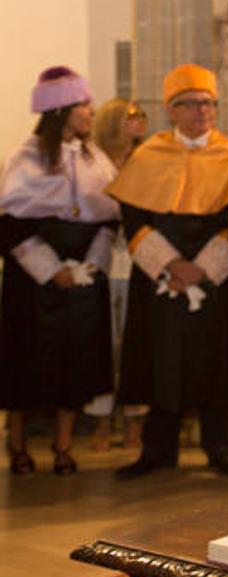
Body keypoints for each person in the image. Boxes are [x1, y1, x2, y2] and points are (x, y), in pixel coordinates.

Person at [106, 64, 228, 479]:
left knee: (216, 357)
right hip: (161, 276)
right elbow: (133, 219)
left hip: (214, 276)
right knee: (159, 357)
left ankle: (220, 446)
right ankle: (157, 449)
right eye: (189, 104)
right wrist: (170, 265)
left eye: (207, 103)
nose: (200, 111)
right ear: (171, 110)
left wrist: (202, 270)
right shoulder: (148, 156)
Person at [1, 67, 119, 476]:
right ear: (60, 110)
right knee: (27, 359)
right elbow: (11, 224)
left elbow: (109, 217)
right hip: (34, 283)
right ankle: (17, 445)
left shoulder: (94, 157)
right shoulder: (27, 156)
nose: (90, 112)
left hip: (83, 276)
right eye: (83, 104)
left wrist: (92, 263)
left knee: (75, 360)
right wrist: (51, 270)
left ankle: (63, 446)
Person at [87, 98, 150, 450]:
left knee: (134, 342)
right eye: (131, 116)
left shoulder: (147, 158)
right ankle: (99, 421)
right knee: (102, 341)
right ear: (113, 121)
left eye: (142, 116)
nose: (139, 121)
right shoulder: (91, 160)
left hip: (138, 257)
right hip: (101, 257)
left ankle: (134, 421)